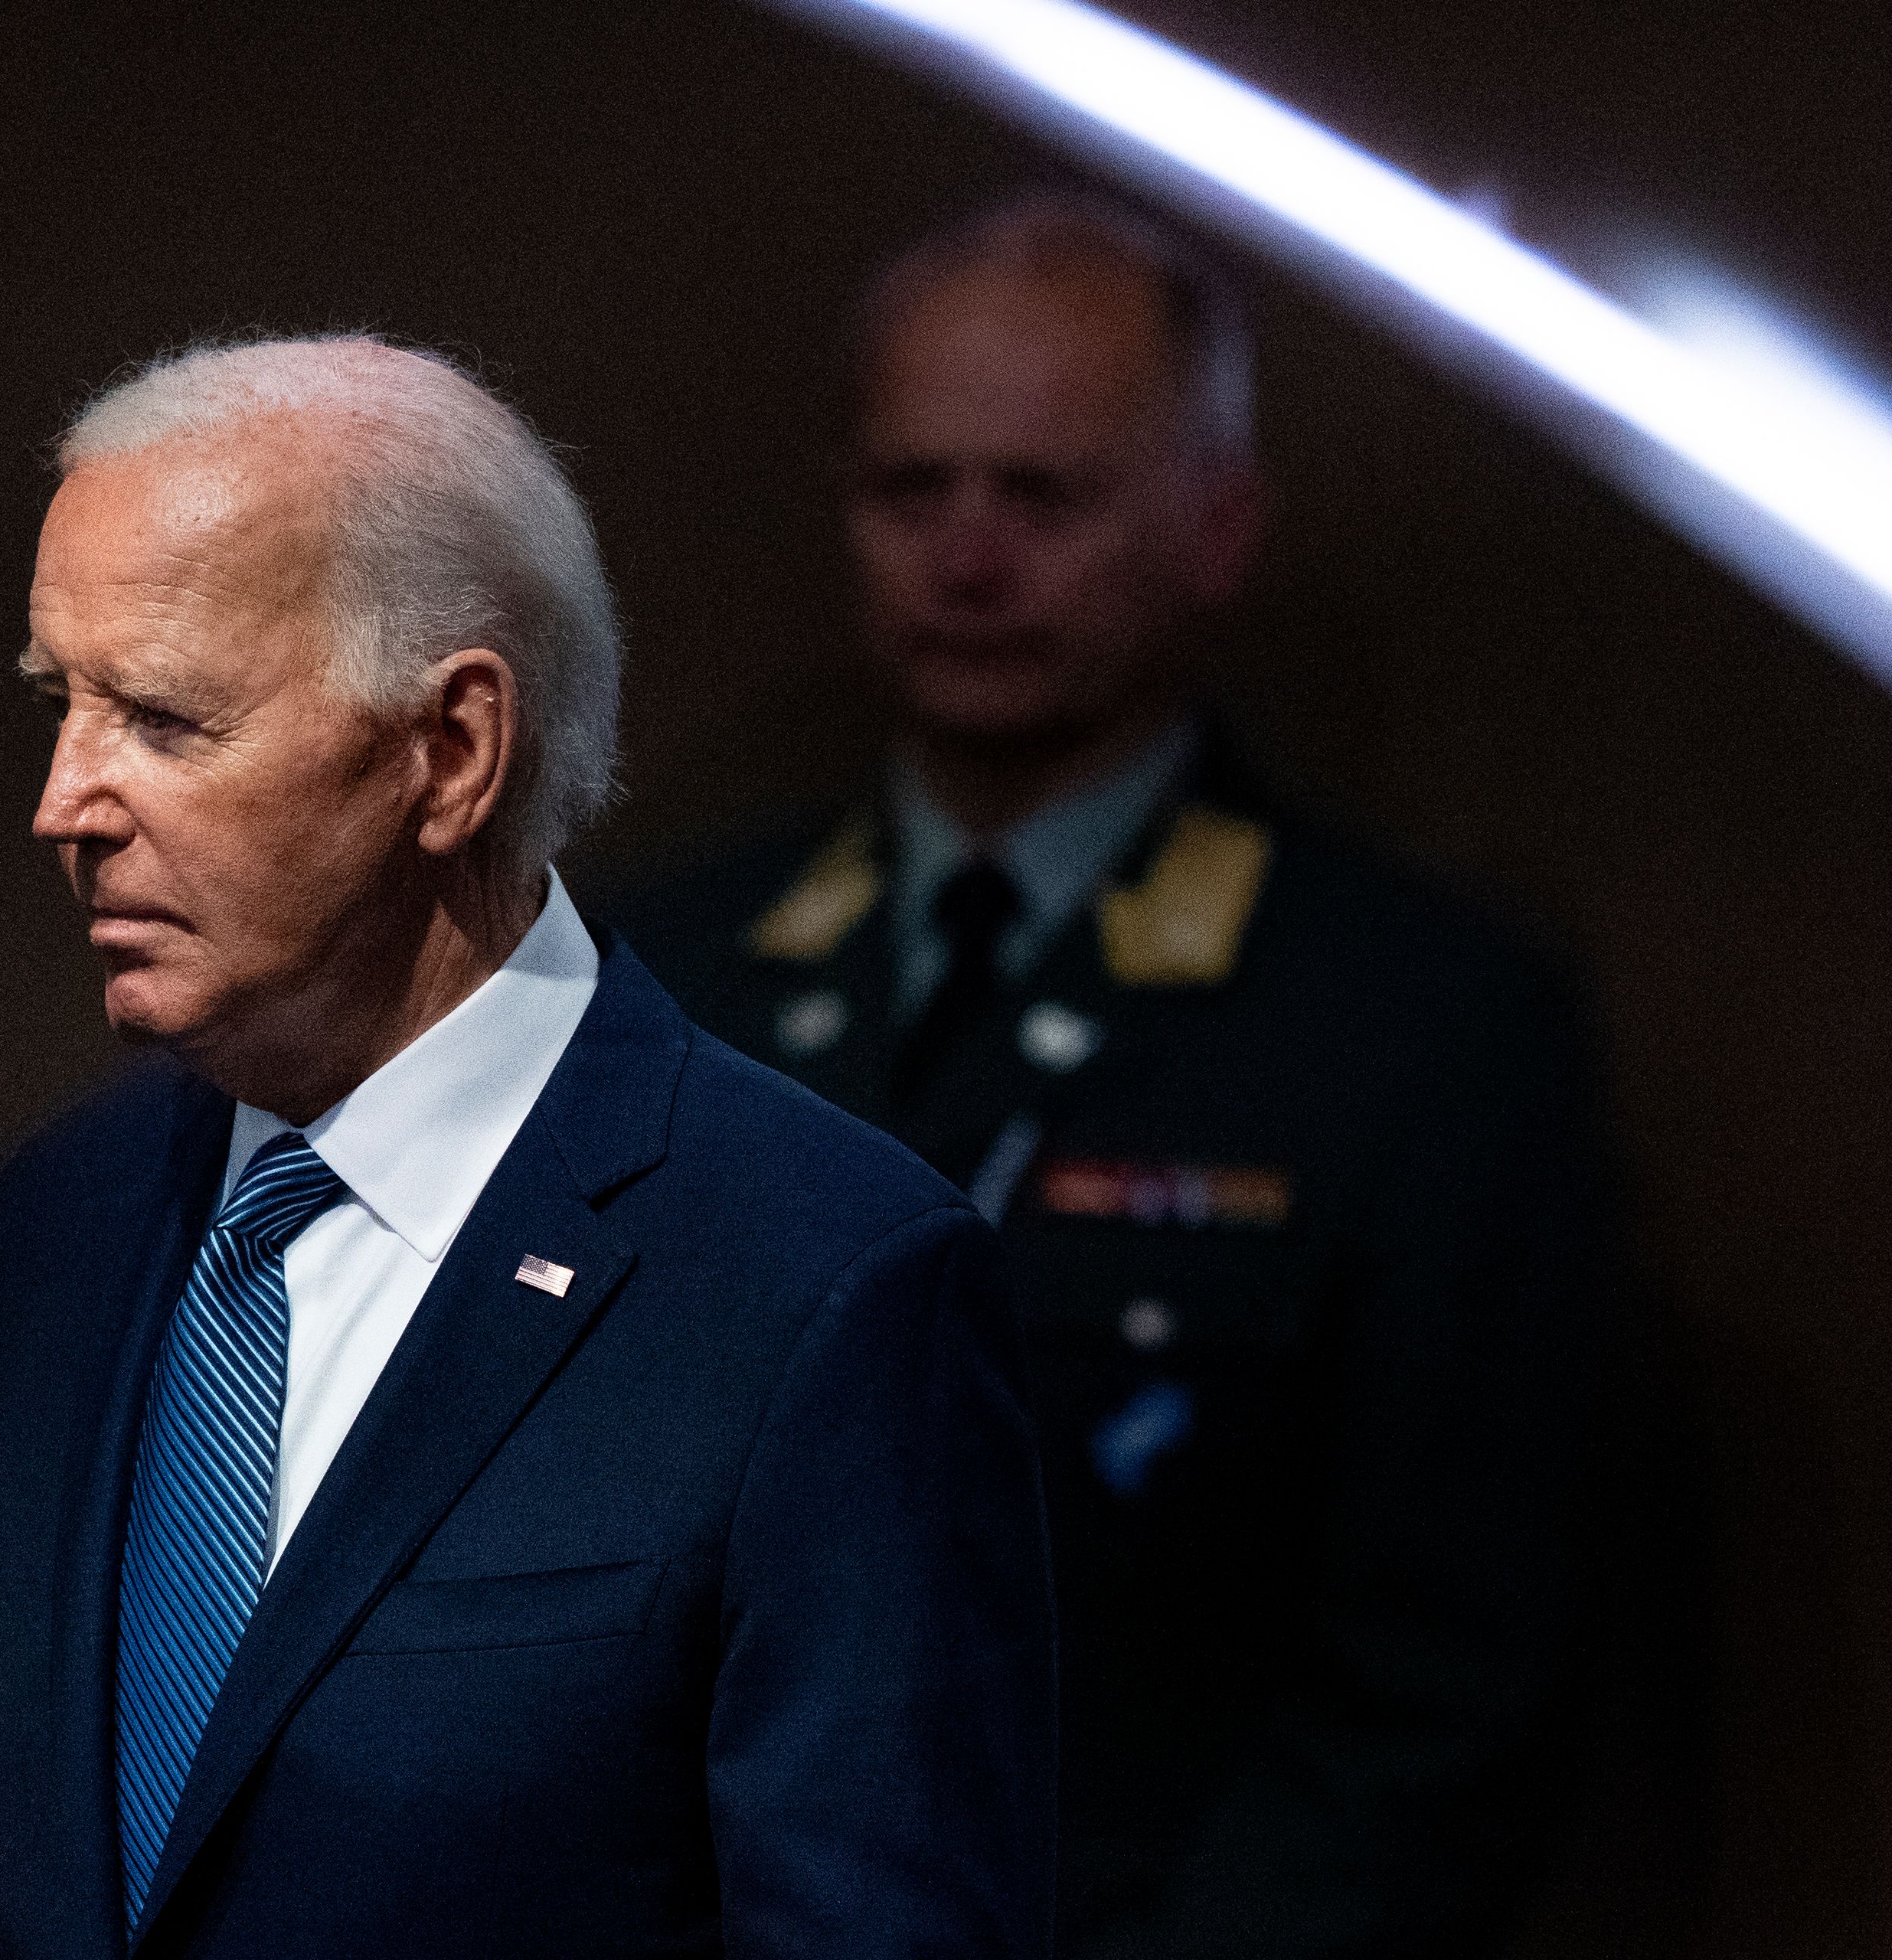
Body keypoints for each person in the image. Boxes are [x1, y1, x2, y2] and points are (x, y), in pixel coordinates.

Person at [0, 336, 1058, 1959]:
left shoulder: (821, 1286)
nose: (66, 799)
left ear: (451, 751)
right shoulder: (54, 1225)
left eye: (162, 717)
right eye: (60, 702)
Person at [611, 198, 1617, 1955]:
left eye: (1043, 496)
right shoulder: (659, 977)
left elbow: (1433, 1708)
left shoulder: (1419, 1027)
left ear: (1216, 527)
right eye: (910, 492)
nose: (969, 561)